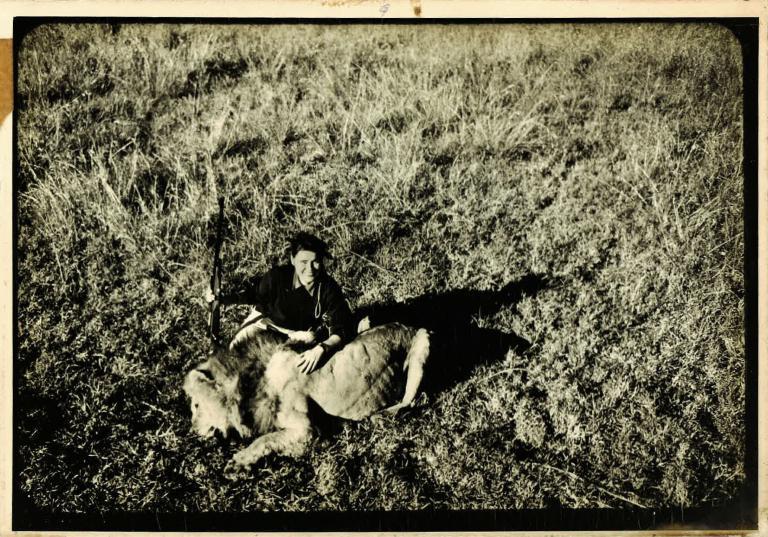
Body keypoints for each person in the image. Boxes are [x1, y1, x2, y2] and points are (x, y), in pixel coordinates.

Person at [206, 232, 354, 374]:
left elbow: (342, 327)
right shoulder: (277, 276)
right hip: (265, 323)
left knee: (306, 345)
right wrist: (223, 300)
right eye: (303, 262)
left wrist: (322, 349)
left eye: (315, 262)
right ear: (292, 259)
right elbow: (252, 295)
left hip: (295, 334)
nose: (309, 269)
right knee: (235, 349)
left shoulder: (329, 288)